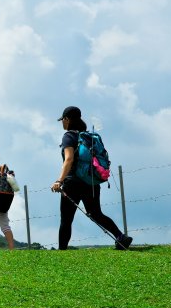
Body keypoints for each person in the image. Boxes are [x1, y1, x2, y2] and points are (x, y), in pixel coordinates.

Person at [50, 106, 133, 250]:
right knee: (96, 213)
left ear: (67, 119)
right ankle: (121, 237)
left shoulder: (69, 136)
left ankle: (61, 251)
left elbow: (68, 159)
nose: (62, 123)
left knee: (66, 220)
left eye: (62, 120)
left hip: (73, 183)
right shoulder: (88, 137)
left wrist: (59, 181)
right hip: (91, 182)